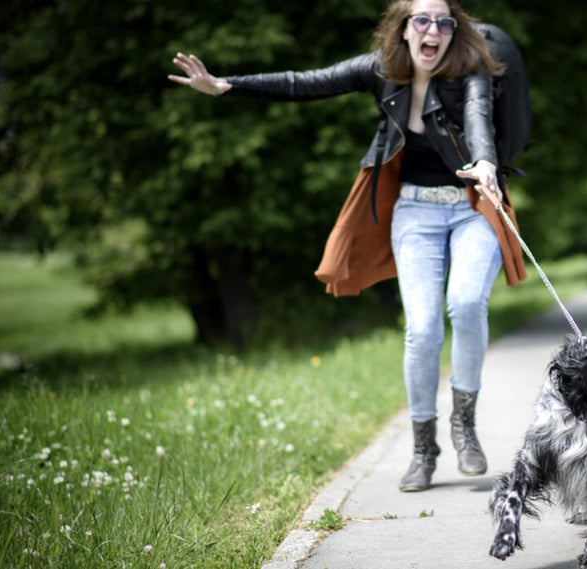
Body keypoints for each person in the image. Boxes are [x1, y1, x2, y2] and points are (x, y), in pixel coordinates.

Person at [169, 0, 526, 492]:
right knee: (421, 330)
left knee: (466, 303)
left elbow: (480, 118)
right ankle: (424, 449)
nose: (433, 31)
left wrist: (485, 163)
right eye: (422, 20)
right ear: (403, 29)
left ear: (453, 31)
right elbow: (303, 82)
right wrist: (228, 85)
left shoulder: (472, 71)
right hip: (415, 211)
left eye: (444, 22)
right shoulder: (379, 70)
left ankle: (464, 426)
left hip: (472, 207)